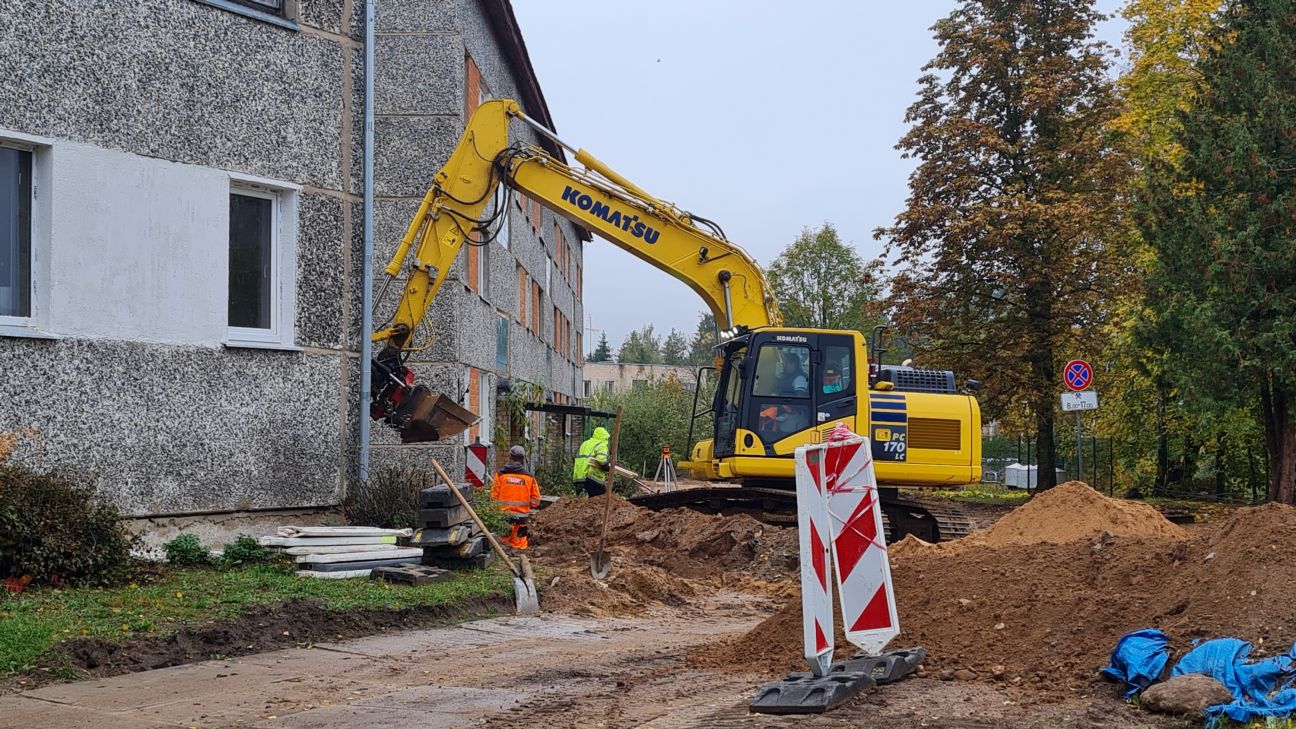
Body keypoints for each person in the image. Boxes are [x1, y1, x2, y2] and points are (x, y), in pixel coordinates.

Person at [490, 445, 541, 550]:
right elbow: (536, 501)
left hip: (504, 517)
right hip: (521, 518)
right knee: (520, 546)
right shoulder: (529, 477)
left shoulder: (500, 475)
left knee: (503, 546)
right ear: (522, 459)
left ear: (510, 457)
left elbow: (493, 497)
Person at [572, 426, 611, 497]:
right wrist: (607, 467)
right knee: (600, 499)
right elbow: (601, 460)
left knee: (581, 501)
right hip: (592, 478)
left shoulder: (585, 444)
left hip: (579, 479)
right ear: (605, 437)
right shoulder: (601, 444)